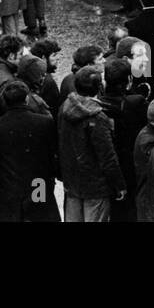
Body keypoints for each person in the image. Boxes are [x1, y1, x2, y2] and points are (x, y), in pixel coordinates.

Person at [0, 80, 60, 221]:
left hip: (9, 187)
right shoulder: (44, 123)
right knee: (40, 216)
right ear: (26, 99)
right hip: (38, 184)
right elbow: (52, 154)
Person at [59, 66, 128, 221]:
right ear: (99, 87)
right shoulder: (98, 117)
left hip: (72, 181)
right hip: (95, 186)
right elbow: (107, 155)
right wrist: (119, 184)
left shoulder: (64, 108)